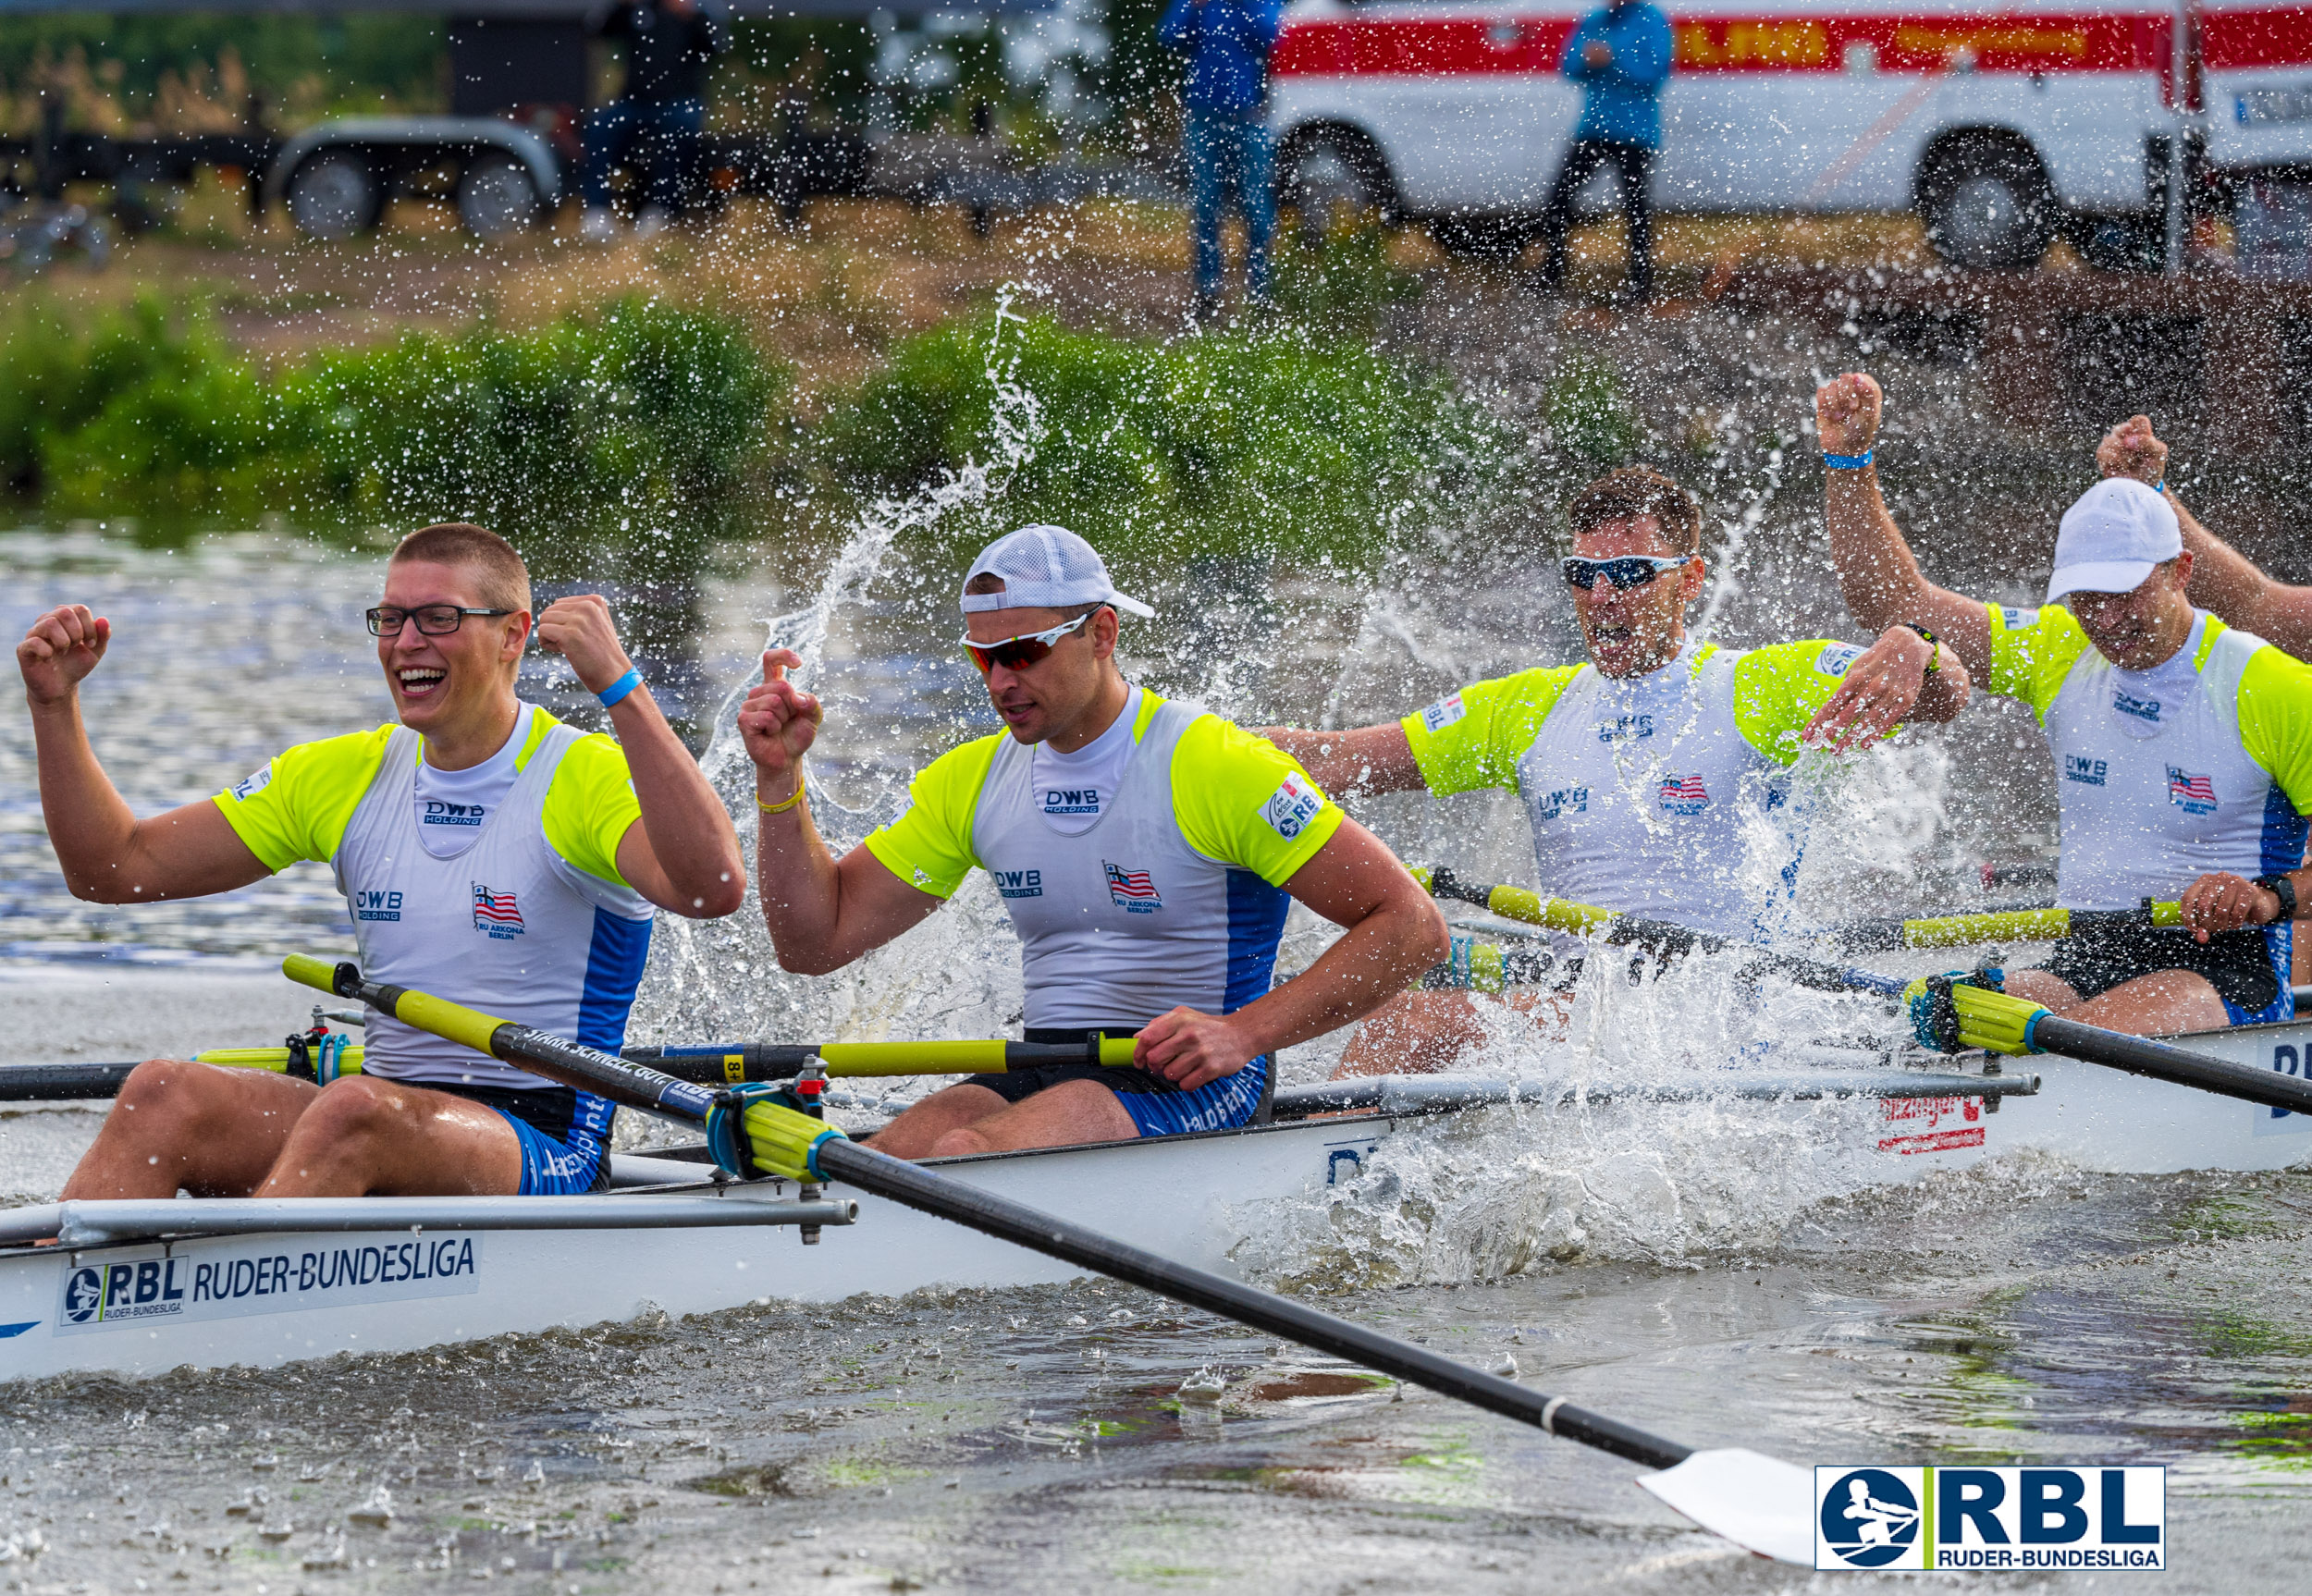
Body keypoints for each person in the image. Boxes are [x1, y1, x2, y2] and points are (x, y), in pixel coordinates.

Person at [19, 522, 746, 1199]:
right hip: (379, 1109)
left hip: (546, 1140)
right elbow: (113, 869)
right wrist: (54, 706)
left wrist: (621, 687)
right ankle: (56, 1301)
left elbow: (713, 888)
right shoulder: (343, 775)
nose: (406, 643)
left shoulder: (583, 776)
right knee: (162, 1093)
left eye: (439, 618)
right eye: (391, 618)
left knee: (355, 1113)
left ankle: (219, 1312)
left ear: (512, 637)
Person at [739, 522, 1448, 1155]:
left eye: (1023, 652)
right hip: (1044, 1066)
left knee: (964, 1151)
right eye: (983, 658)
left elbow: (1415, 927)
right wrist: (779, 780)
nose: (1001, 681)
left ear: (1101, 634)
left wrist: (1245, 1034)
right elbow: (814, 942)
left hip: (1198, 1084)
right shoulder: (974, 781)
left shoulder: (1217, 766)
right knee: (891, 1157)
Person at [1263, 465, 1971, 1074]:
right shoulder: (1527, 707)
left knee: (1407, 1026)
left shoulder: (1758, 687)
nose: (1603, 597)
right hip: (1583, 999)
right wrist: (1174, 737)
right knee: (1391, 995)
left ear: (1689, 579)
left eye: (1631, 575)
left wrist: (1915, 645)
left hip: (1721, 1005)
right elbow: (1338, 760)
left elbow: (1948, 694)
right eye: (1584, 576)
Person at [1818, 371, 2312, 1037]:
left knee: (2073, 1041)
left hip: (2225, 969)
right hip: (2085, 954)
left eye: (2124, 594)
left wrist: (2266, 896)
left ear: (2179, 573)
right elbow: (1894, 604)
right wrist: (1850, 464)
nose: (2105, 620)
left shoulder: (2271, 685)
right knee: (1923, 1020)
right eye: (2086, 598)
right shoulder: (2060, 646)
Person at [1535, 0, 1672, 303]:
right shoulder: (1595, 19)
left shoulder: (1651, 20)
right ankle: (1551, 273)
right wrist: (1587, 61)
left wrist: (1613, 58)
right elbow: (1568, 66)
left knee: (1636, 208)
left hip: (1635, 132)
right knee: (1559, 197)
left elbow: (1654, 74)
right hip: (1595, 128)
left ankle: (1640, 282)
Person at [1158, 0, 1285, 318]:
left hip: (1250, 117)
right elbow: (1169, 35)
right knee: (1205, 205)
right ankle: (1208, 291)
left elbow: (1272, 34)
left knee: (1257, 209)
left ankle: (1261, 294)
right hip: (1203, 116)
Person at [578, 0, 731, 241]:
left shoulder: (696, 11)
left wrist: (692, 15)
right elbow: (598, 30)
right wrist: (621, 6)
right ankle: (597, 210)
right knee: (600, 126)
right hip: (635, 103)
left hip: (679, 101)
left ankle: (661, 209)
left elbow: (718, 46)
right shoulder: (639, 10)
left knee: (680, 130)